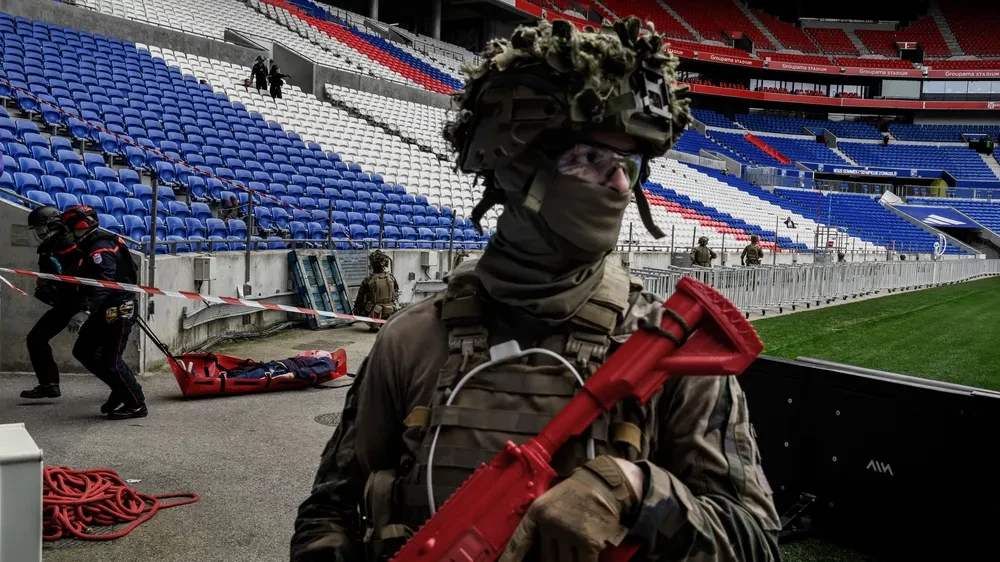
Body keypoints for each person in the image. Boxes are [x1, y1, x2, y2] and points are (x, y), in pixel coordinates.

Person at [290, 16, 779, 562]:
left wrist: (640, 491)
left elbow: (756, 541)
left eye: (630, 164)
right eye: (592, 159)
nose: (621, 185)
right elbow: (330, 509)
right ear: (517, 167)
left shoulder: (668, 351)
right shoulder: (412, 341)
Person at [60, 206, 147, 420]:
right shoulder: (93, 243)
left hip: (118, 311)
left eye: (71, 229)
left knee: (112, 361)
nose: (70, 235)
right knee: (84, 350)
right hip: (104, 310)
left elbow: (104, 282)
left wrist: (85, 310)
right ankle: (121, 389)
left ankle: (136, 404)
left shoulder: (100, 246)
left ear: (80, 227)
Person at [20, 206, 86, 400]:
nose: (38, 233)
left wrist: (84, 309)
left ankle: (122, 388)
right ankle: (49, 385)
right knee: (36, 339)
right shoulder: (52, 245)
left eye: (40, 227)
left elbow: (80, 275)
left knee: (92, 350)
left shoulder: (64, 244)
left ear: (51, 224)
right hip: (65, 304)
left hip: (78, 304)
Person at [351, 250, 399, 331]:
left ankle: (374, 324)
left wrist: (355, 309)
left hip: (374, 311)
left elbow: (360, 298)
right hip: (391, 310)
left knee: (359, 307)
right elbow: (396, 290)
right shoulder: (391, 278)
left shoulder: (368, 280)